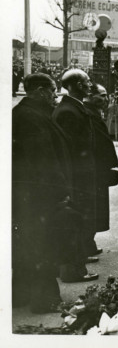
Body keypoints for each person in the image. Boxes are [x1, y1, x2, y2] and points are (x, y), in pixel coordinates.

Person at [12, 74, 73, 311]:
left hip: (27, 195)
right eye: (53, 90)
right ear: (40, 91)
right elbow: (44, 160)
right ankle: (44, 299)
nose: (55, 95)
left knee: (27, 245)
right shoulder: (32, 118)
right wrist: (61, 192)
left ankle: (21, 296)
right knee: (43, 246)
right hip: (39, 195)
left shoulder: (24, 113)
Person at [53, 69, 100, 282]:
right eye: (86, 81)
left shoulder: (73, 108)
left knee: (81, 220)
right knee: (76, 220)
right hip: (77, 177)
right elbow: (68, 152)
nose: (90, 85)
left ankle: (78, 261)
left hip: (82, 175)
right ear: (76, 86)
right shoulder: (68, 112)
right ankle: (74, 270)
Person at [83, 84, 118, 254]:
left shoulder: (92, 112)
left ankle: (89, 243)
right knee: (92, 208)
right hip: (95, 168)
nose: (106, 99)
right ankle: (86, 244)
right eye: (102, 96)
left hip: (98, 167)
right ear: (90, 96)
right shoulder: (88, 113)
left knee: (96, 208)